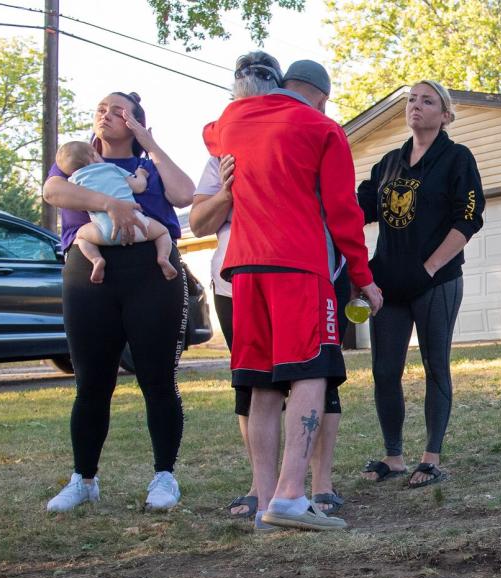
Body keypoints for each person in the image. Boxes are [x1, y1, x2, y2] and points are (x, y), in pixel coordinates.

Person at [203, 59, 382, 531]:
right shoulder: (322, 127)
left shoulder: (230, 121)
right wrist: (363, 277)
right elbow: (344, 212)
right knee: (312, 371)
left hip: (243, 265)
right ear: (322, 96)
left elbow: (210, 133)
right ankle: (291, 495)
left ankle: (265, 502)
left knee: (260, 381)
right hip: (300, 265)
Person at [42, 92, 194, 512]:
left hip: (152, 272)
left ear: (136, 122)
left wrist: (151, 144)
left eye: (117, 110)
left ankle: (164, 477)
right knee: (91, 383)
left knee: (158, 379)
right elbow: (52, 191)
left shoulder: (149, 165)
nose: (104, 115)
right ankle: (83, 479)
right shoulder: (77, 161)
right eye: (100, 109)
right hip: (91, 271)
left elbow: (184, 195)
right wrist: (110, 203)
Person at [357, 80, 484, 488]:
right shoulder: (390, 162)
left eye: (427, 101)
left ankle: (430, 456)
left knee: (435, 365)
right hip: (388, 283)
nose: (417, 106)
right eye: (412, 99)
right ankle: (393, 457)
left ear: (445, 115)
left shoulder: (457, 158)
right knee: (384, 370)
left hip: (436, 280)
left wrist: (429, 268)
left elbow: (469, 218)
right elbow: (356, 209)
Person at [54, 141, 177, 283]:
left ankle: (96, 259)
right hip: (138, 225)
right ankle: (163, 257)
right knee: (162, 232)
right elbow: (139, 187)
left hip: (105, 232)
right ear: (94, 155)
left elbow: (71, 200)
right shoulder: (112, 168)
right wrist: (141, 173)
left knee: (81, 236)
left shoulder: (73, 181)